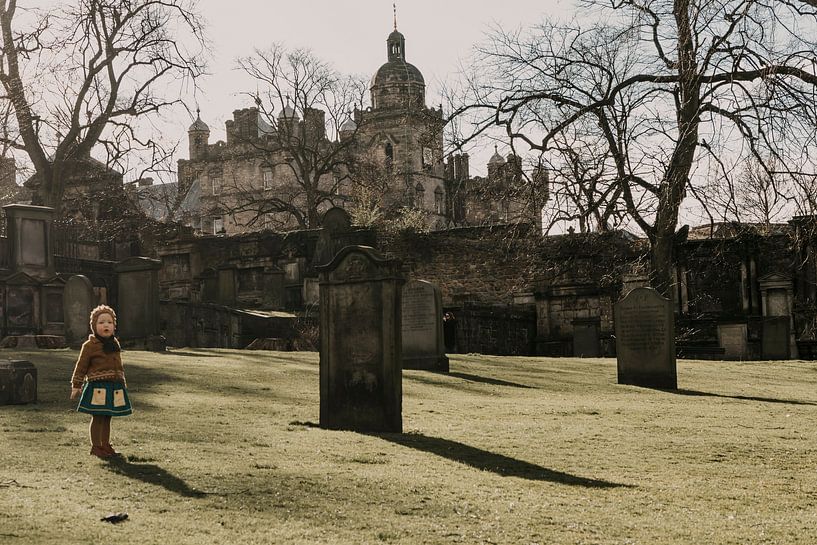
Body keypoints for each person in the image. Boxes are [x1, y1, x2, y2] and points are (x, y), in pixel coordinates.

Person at [70, 305, 132, 458]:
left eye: (110, 322)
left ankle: (105, 444)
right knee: (98, 416)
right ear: (94, 326)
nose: (106, 325)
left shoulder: (114, 343)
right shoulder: (90, 346)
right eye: (101, 322)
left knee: (108, 416)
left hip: (113, 386)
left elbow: (118, 364)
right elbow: (81, 366)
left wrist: (122, 381)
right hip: (98, 387)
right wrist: (76, 385)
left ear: (114, 326)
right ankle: (96, 446)